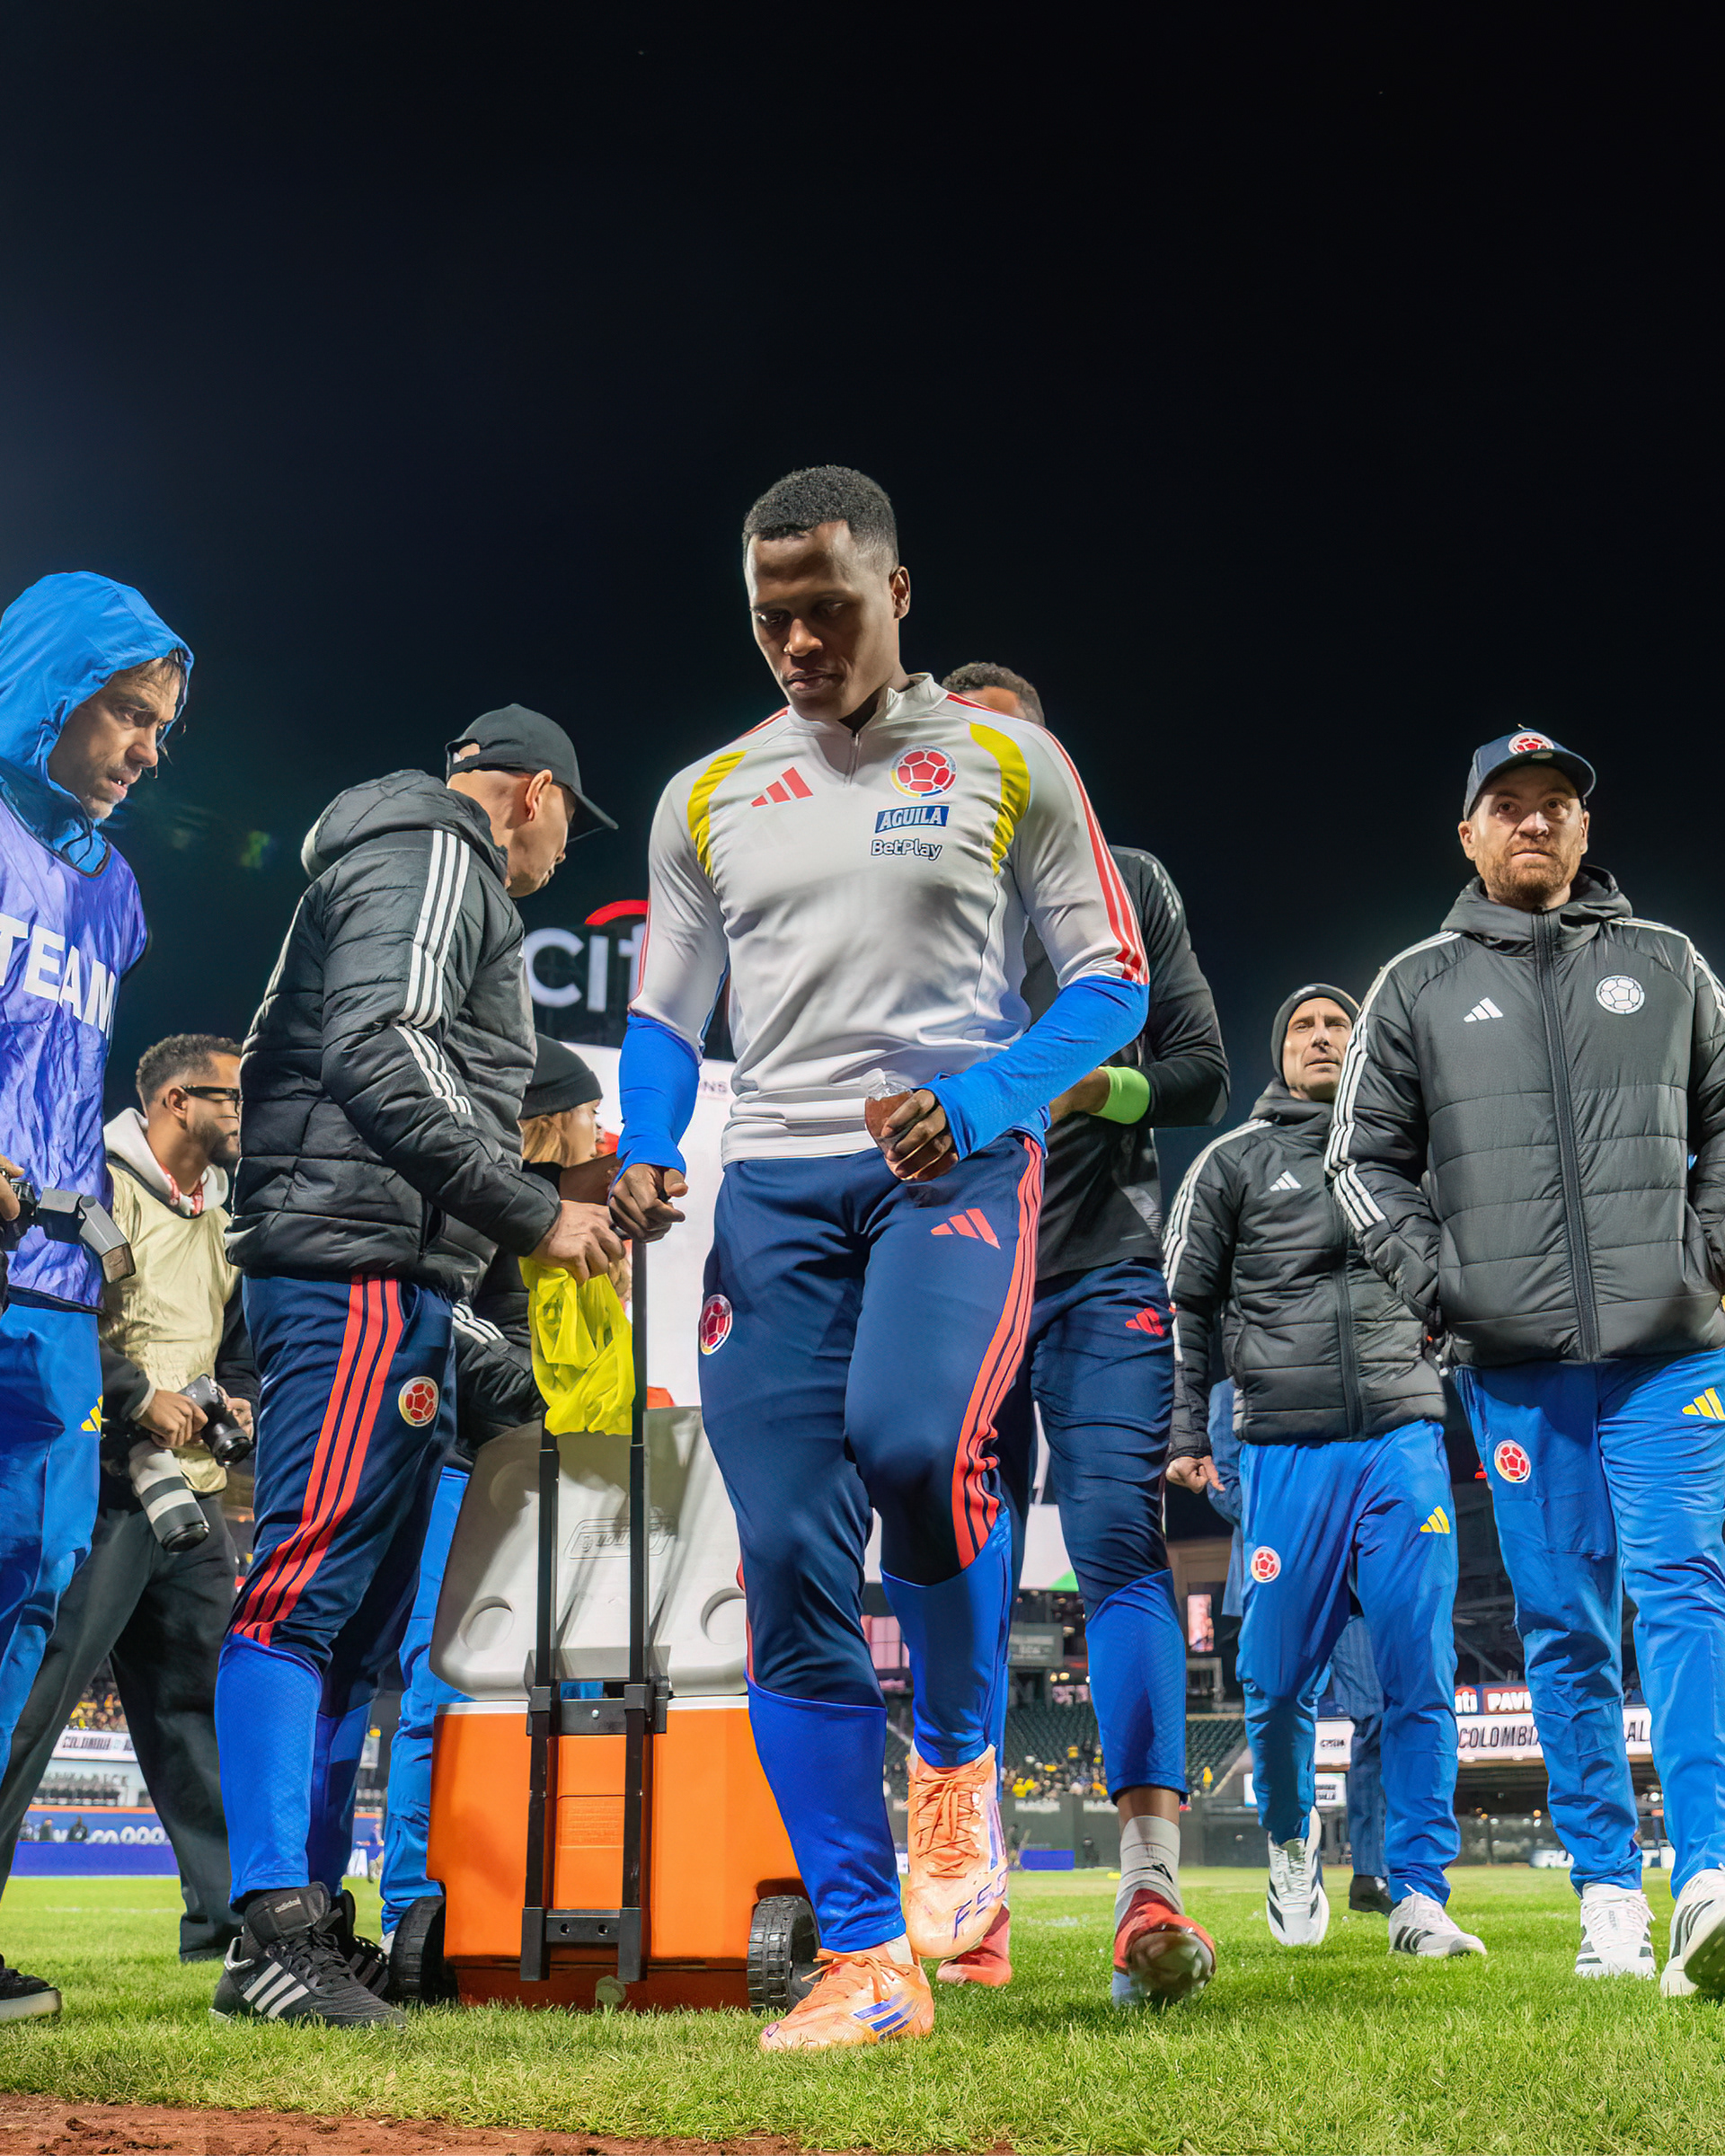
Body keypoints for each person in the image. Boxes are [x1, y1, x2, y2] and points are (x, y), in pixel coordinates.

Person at [609, 466, 1149, 2051]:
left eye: (825, 610)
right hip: (769, 1190)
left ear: (896, 595)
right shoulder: (708, 793)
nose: (795, 643)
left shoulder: (1007, 760)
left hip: (955, 1168)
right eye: (769, 617)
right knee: (784, 1555)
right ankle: (867, 1957)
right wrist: (650, 1146)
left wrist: (977, 1095)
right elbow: (664, 1012)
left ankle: (959, 1765)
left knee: (915, 1443)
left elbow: (1108, 987)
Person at [214, 705, 624, 2027]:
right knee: (303, 1597)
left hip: (392, 1276)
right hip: (353, 1270)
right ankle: (274, 1931)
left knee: (354, 1630)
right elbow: (381, 1045)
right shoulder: (439, 844)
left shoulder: (408, 854)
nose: (563, 853)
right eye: (570, 822)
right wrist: (534, 1207)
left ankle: (301, 1931)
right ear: (534, 794)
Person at [1326, 730, 1725, 1993]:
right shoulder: (1417, 986)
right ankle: (1612, 1892)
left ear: (1586, 832)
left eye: (1557, 806)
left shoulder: (1668, 967)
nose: (1537, 823)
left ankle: (1708, 1880)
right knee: (1563, 1627)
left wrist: (1708, 1261)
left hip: (1672, 1352)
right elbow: (1360, 1161)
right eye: (1510, 806)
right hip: (1515, 1365)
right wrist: (1447, 1289)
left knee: (1687, 1592)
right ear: (1470, 836)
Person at [933, 661, 1229, 2006]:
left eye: (1018, 744)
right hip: (951, 1266)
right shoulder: (909, 886)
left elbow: (1200, 1067)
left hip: (1100, 1266)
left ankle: (1148, 1884)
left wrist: (1089, 1088)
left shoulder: (1129, 878)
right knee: (957, 1563)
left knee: (1117, 1543)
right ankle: (965, 1888)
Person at [1166, 986, 1482, 1958]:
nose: (1320, 1036)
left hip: (1402, 1438)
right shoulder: (1234, 1163)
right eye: (1302, 1024)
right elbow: (1188, 1305)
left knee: (1419, 1668)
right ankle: (1293, 1848)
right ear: (1282, 1052)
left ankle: (1420, 1893)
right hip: (1284, 1447)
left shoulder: (1418, 1158)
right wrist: (1188, 1429)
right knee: (1270, 1680)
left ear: (1362, 1048)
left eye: (1337, 1025)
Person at [0, 572, 193, 2020]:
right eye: (125, 712)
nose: (142, 750)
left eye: (160, 727)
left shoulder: (115, 893)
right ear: (48, 688)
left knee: (24, 1600)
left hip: (56, 1302)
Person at [0, 1035, 255, 1961]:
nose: (242, 1113)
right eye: (229, 1099)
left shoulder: (226, 1205)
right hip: (101, 1480)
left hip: (187, 1493)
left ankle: (227, 1928)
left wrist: (231, 1396)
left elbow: (235, 1342)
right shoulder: (98, 1181)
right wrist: (136, 1392)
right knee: (33, 1704)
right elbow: (52, 1304)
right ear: (175, 1102)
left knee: (196, 1708)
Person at [377, 1037, 607, 1952]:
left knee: (586, 1689)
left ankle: (567, 1892)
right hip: (470, 1476)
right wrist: (540, 1389)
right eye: (589, 1113)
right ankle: (408, 1917)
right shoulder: (481, 1200)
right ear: (551, 1118)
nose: (602, 1131)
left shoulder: (572, 1215)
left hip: (563, 1488)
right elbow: (439, 1312)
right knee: (440, 1692)